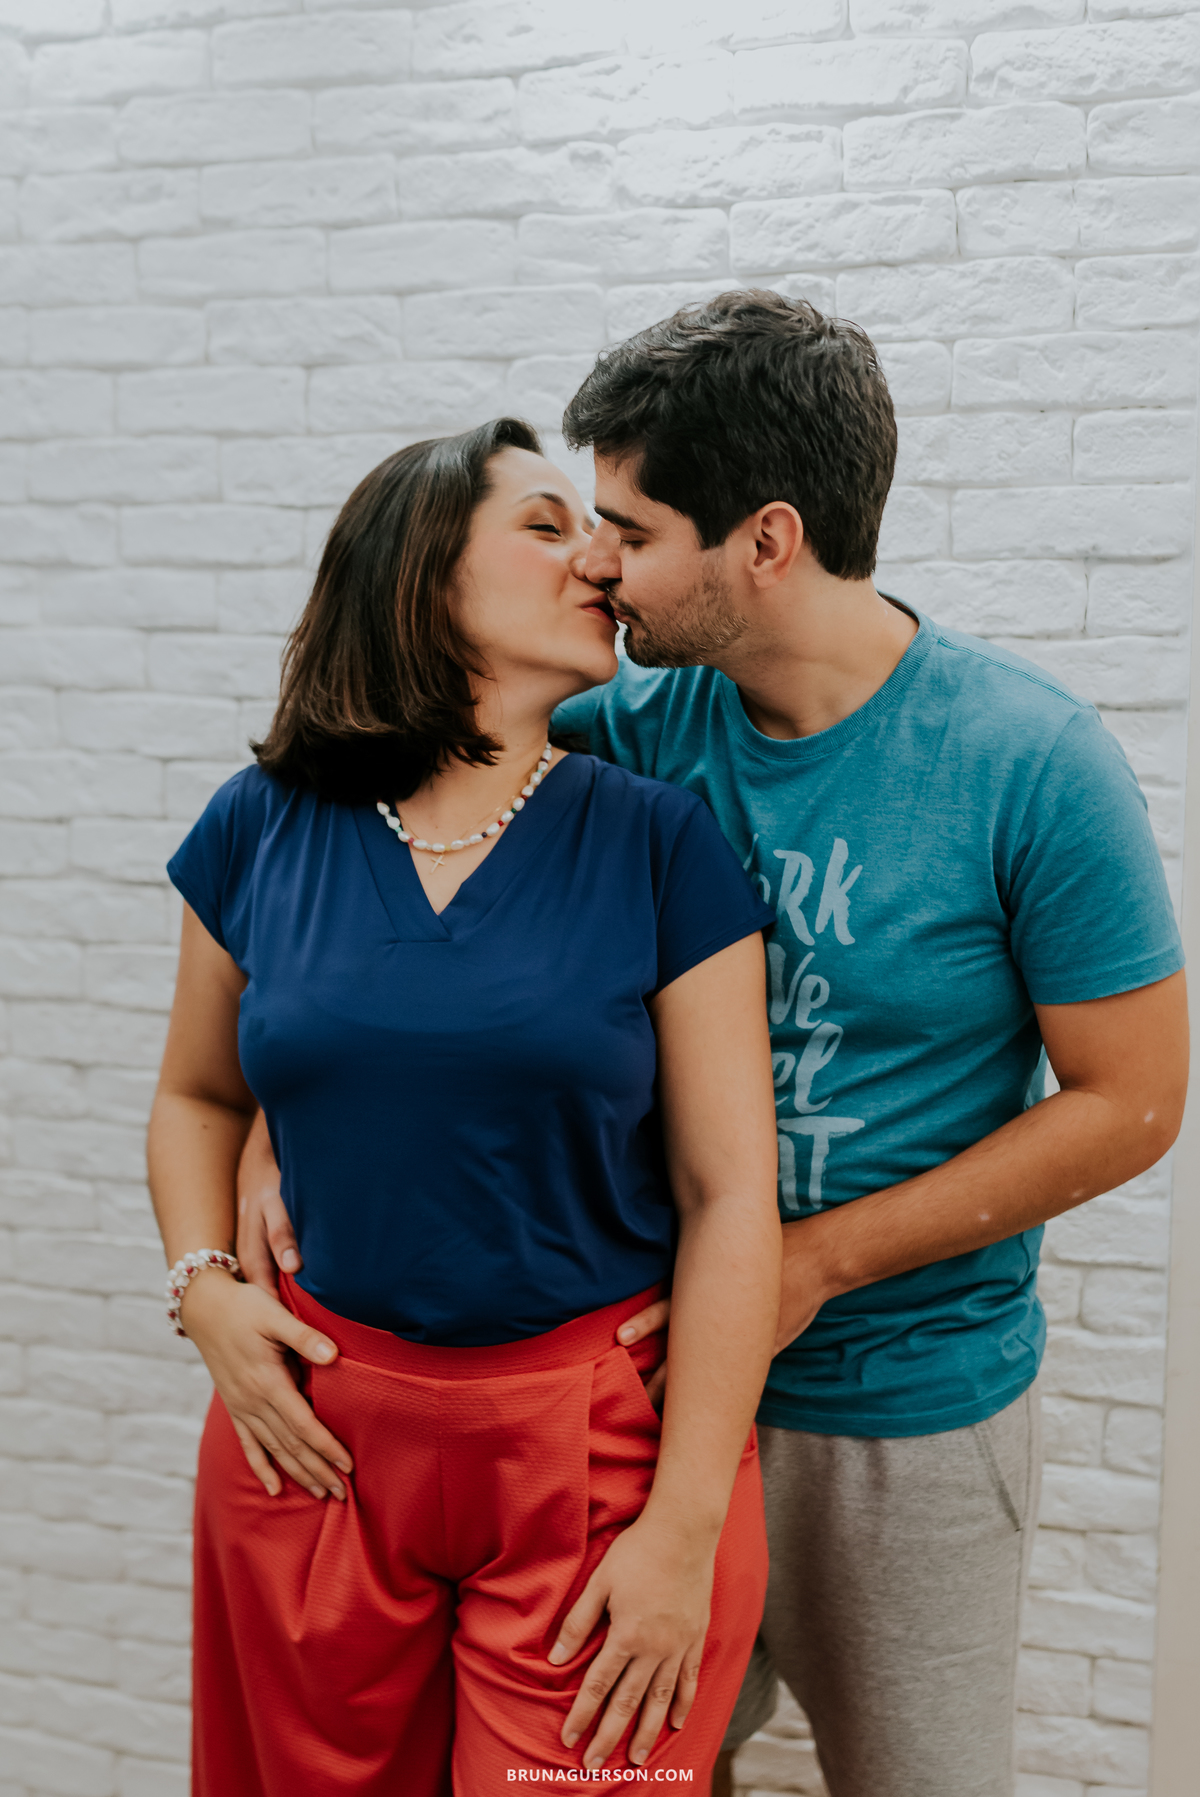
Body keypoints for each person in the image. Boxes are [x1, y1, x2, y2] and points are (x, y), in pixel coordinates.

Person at [241, 291, 1189, 1797]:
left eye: (629, 527)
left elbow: (1134, 1102)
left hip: (908, 1410)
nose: (600, 563)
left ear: (765, 540)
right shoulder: (634, 727)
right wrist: (262, 1123)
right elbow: (393, 882)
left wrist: (814, 1263)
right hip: (632, 1401)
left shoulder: (1030, 760)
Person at [147, 417, 783, 1797]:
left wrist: (684, 1527)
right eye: (548, 526)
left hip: (596, 1463)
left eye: (597, 531)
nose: (599, 559)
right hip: (309, 1437)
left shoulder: (659, 841)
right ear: (421, 574)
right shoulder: (260, 823)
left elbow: (733, 1193)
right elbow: (198, 1093)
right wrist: (204, 1291)